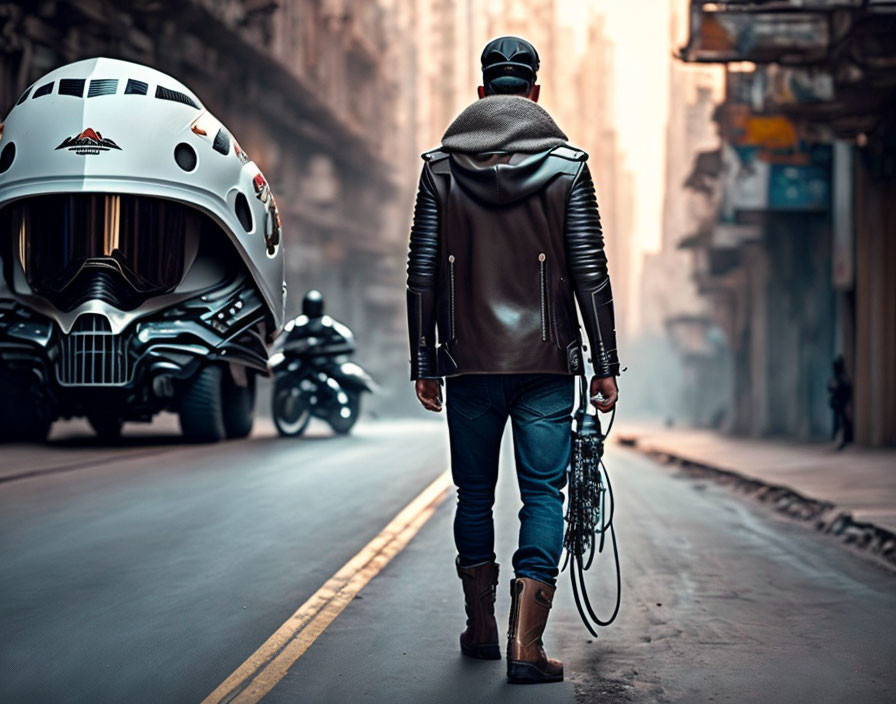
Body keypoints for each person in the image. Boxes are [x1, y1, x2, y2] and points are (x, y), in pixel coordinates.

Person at [405, 36, 620, 684]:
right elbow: (591, 271)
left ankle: (481, 628)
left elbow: (420, 272)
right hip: (549, 365)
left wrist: (424, 359)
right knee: (542, 495)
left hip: (467, 362)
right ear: (534, 93)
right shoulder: (568, 168)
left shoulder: (440, 169)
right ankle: (529, 644)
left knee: (473, 494)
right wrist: (605, 361)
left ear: (481, 93)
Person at [828, 355, 853, 449]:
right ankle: (839, 440)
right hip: (838, 403)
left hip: (841, 403)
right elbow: (830, 388)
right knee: (839, 422)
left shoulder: (841, 378)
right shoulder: (839, 378)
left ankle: (842, 440)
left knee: (841, 422)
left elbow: (847, 389)